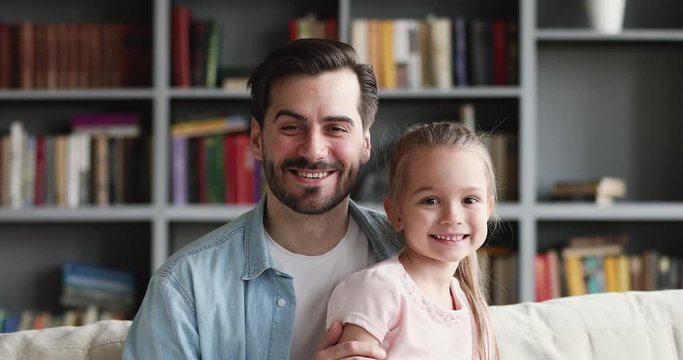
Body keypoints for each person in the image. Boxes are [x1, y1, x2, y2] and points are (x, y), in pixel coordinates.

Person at [123, 38, 402, 359]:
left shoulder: (421, 256)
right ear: (257, 139)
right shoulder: (183, 287)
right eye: (291, 127)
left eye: (336, 128)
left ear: (365, 144)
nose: (313, 150)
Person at [325, 122, 501, 359]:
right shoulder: (380, 289)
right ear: (396, 212)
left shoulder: (467, 302)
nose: (452, 217)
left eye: (469, 200)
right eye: (430, 200)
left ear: (488, 209)